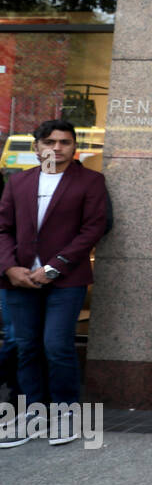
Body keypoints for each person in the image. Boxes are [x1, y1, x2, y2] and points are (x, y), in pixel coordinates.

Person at [0, 120, 108, 446]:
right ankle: (32, 411)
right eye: (49, 142)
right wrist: (9, 268)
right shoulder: (18, 182)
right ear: (37, 148)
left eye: (65, 142)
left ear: (75, 148)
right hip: (19, 281)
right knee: (25, 346)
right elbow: (2, 229)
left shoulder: (90, 181)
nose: (57, 148)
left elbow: (92, 229)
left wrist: (53, 267)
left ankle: (65, 411)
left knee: (57, 345)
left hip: (65, 280)